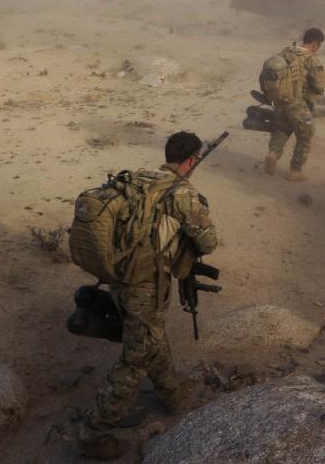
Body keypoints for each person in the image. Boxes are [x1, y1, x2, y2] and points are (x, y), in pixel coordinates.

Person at [78, 131, 218, 461]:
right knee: (136, 356)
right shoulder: (181, 192)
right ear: (192, 160)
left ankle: (173, 396)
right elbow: (208, 242)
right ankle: (94, 433)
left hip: (118, 274)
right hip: (145, 283)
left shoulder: (140, 178)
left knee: (151, 335)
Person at [261, 28, 325, 182]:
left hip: (280, 102)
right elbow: (320, 86)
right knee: (306, 134)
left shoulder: (286, 52)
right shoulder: (310, 58)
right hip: (297, 104)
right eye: (319, 45)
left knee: (282, 129)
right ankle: (295, 170)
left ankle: (273, 154)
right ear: (315, 44)